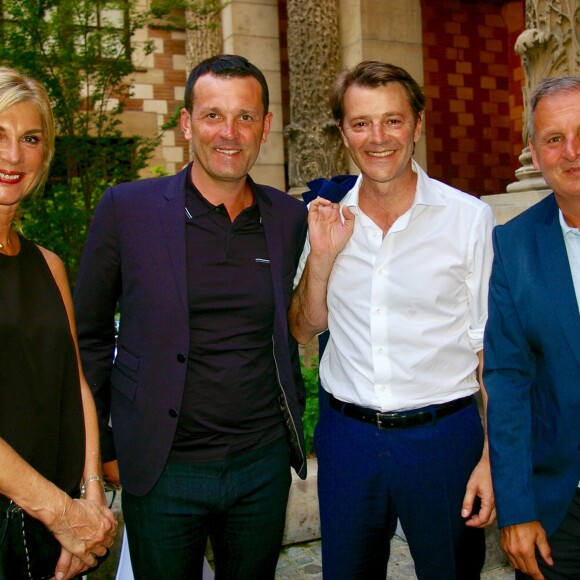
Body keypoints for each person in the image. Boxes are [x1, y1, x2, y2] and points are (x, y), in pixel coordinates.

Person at [73, 54, 308, 580]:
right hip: (162, 469)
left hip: (259, 466)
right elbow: (86, 337)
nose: (229, 132)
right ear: (186, 124)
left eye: (245, 117)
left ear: (265, 127)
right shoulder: (126, 210)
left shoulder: (289, 218)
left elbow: (296, 326)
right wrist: (107, 448)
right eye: (212, 115)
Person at [289, 61, 496, 579]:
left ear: (418, 125)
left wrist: (492, 460)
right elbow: (302, 327)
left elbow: (490, 351)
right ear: (344, 133)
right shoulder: (326, 215)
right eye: (361, 123)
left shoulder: (469, 218)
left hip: (443, 440)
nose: (377, 138)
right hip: (348, 437)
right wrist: (321, 257)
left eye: (393, 121)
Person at [0, 68, 117, 580]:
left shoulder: (48, 266)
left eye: (30, 138)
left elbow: (77, 383)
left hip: (55, 532)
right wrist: (62, 513)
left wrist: (92, 497)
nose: (13, 155)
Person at [484, 76, 580, 580]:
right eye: (554, 139)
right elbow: (508, 382)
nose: (572, 152)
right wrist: (517, 509)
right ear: (535, 155)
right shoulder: (515, 246)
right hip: (561, 509)